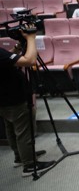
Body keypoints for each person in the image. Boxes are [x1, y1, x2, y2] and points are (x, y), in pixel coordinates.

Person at [0, 25, 56, 177]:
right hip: (14, 97)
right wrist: (31, 38)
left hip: (4, 99)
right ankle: (30, 164)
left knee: (11, 128)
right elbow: (30, 60)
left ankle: (20, 157)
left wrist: (19, 46)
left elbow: (7, 59)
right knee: (24, 131)